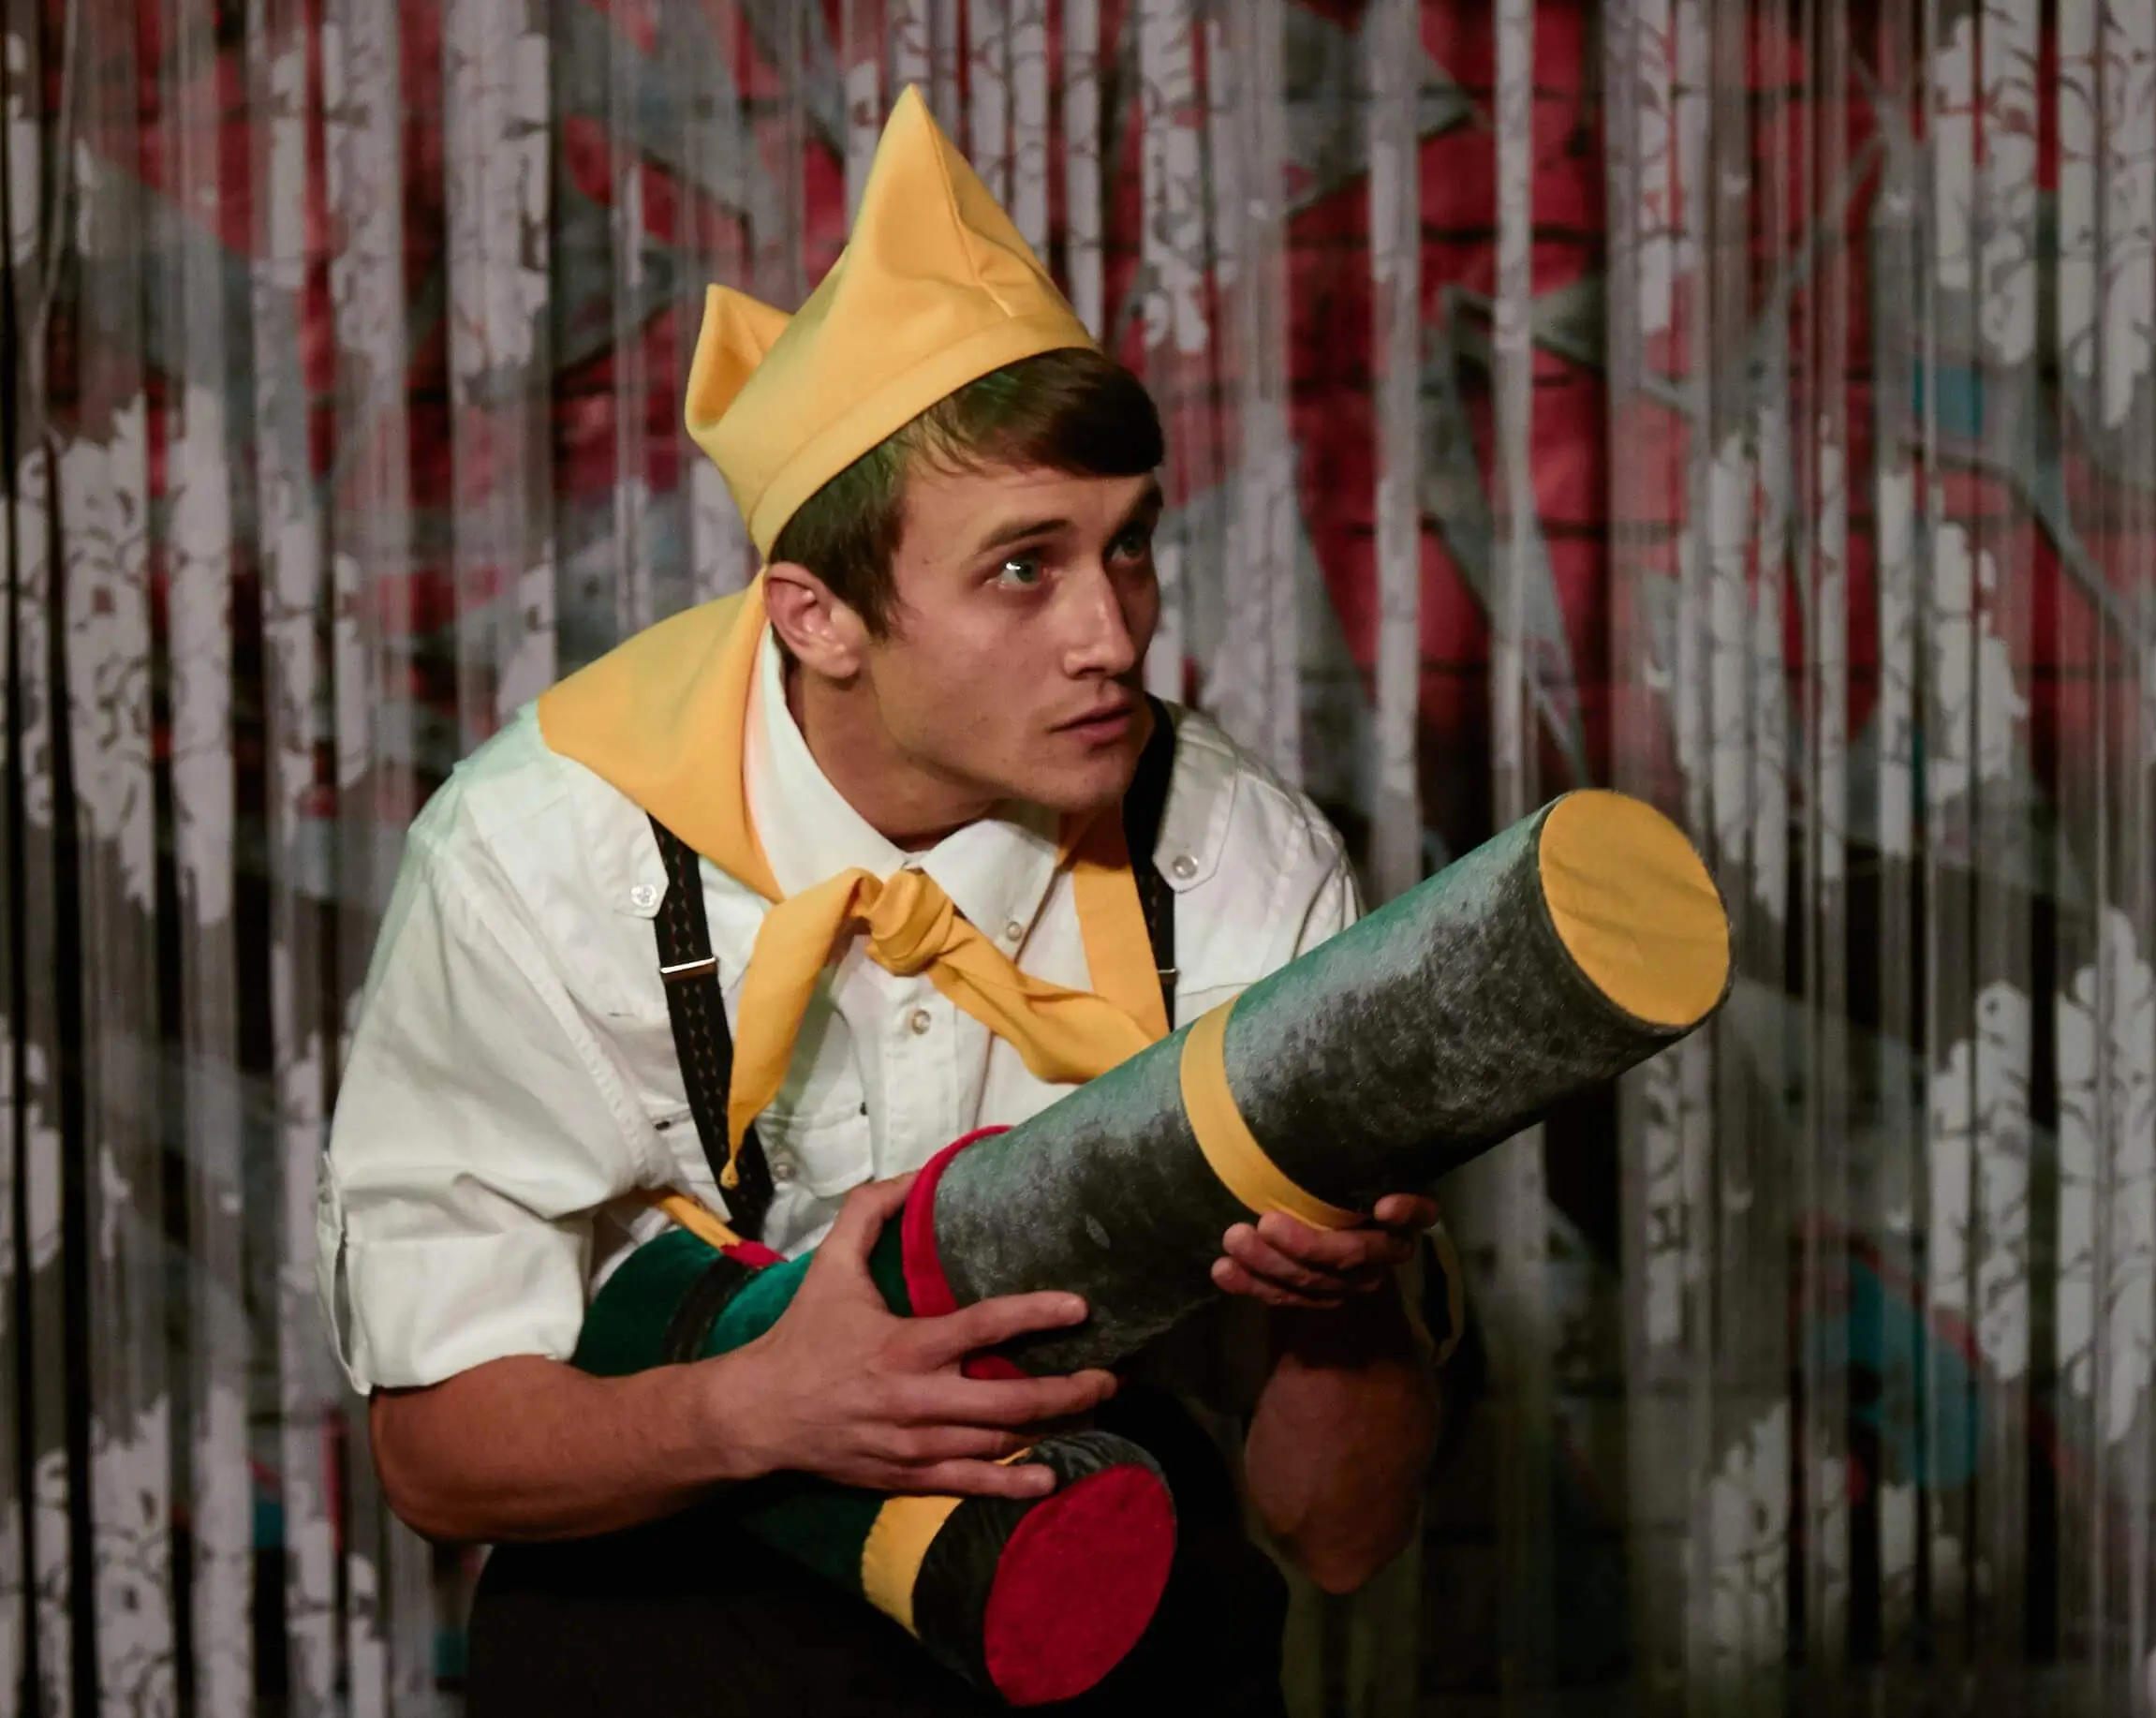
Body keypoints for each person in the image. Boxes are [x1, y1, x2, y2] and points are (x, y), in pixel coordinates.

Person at [316, 87, 1443, 1716]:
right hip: (663, 1621)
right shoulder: (535, 859)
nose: (1114, 635)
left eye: (1129, 547)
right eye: (1022, 566)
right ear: (818, 616)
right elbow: (435, 1459)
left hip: (1112, 1606)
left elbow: (1338, 1537)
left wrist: (1350, 1308)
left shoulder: (1240, 861)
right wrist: (754, 1408)